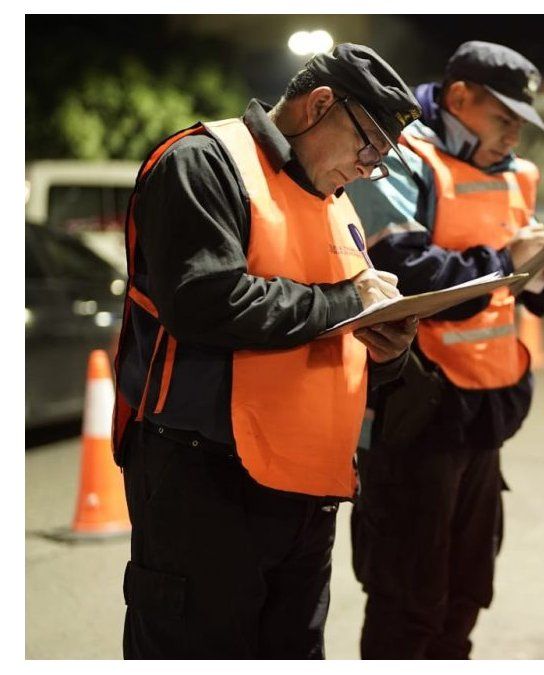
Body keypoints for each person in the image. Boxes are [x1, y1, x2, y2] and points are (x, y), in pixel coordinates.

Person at [110, 44, 422, 659]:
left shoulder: (336, 205)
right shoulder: (204, 162)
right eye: (368, 148)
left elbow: (337, 331)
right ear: (320, 105)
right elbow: (205, 301)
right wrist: (347, 302)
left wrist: (389, 350)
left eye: (380, 160)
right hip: (205, 480)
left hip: (304, 490)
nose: (367, 169)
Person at [344, 40, 544, 659]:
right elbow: (402, 272)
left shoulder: (514, 174)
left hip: (484, 413)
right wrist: (509, 262)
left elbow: (511, 294)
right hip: (412, 414)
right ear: (457, 98)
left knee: (465, 593)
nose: (513, 138)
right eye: (502, 119)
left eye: (520, 124)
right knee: (408, 600)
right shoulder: (398, 157)